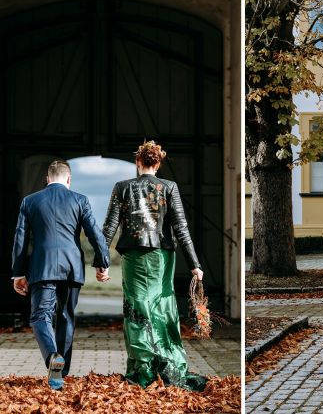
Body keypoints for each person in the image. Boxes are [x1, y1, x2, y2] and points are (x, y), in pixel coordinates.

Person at [100, 141, 206, 391]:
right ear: (158, 164)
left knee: (136, 307)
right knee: (162, 306)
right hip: (161, 257)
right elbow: (181, 228)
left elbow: (109, 227)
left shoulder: (122, 187)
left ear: (138, 162)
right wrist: (195, 264)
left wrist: (101, 262)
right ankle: (166, 364)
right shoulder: (169, 187)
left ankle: (143, 367)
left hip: (133, 257)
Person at [11, 160, 110, 390]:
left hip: (42, 267)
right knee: (65, 316)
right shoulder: (80, 200)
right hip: (71, 267)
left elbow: (20, 239)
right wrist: (102, 262)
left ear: (47, 179)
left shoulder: (30, 201)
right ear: (69, 179)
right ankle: (60, 374)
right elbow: (95, 234)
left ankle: (52, 357)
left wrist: (18, 273)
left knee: (40, 316)